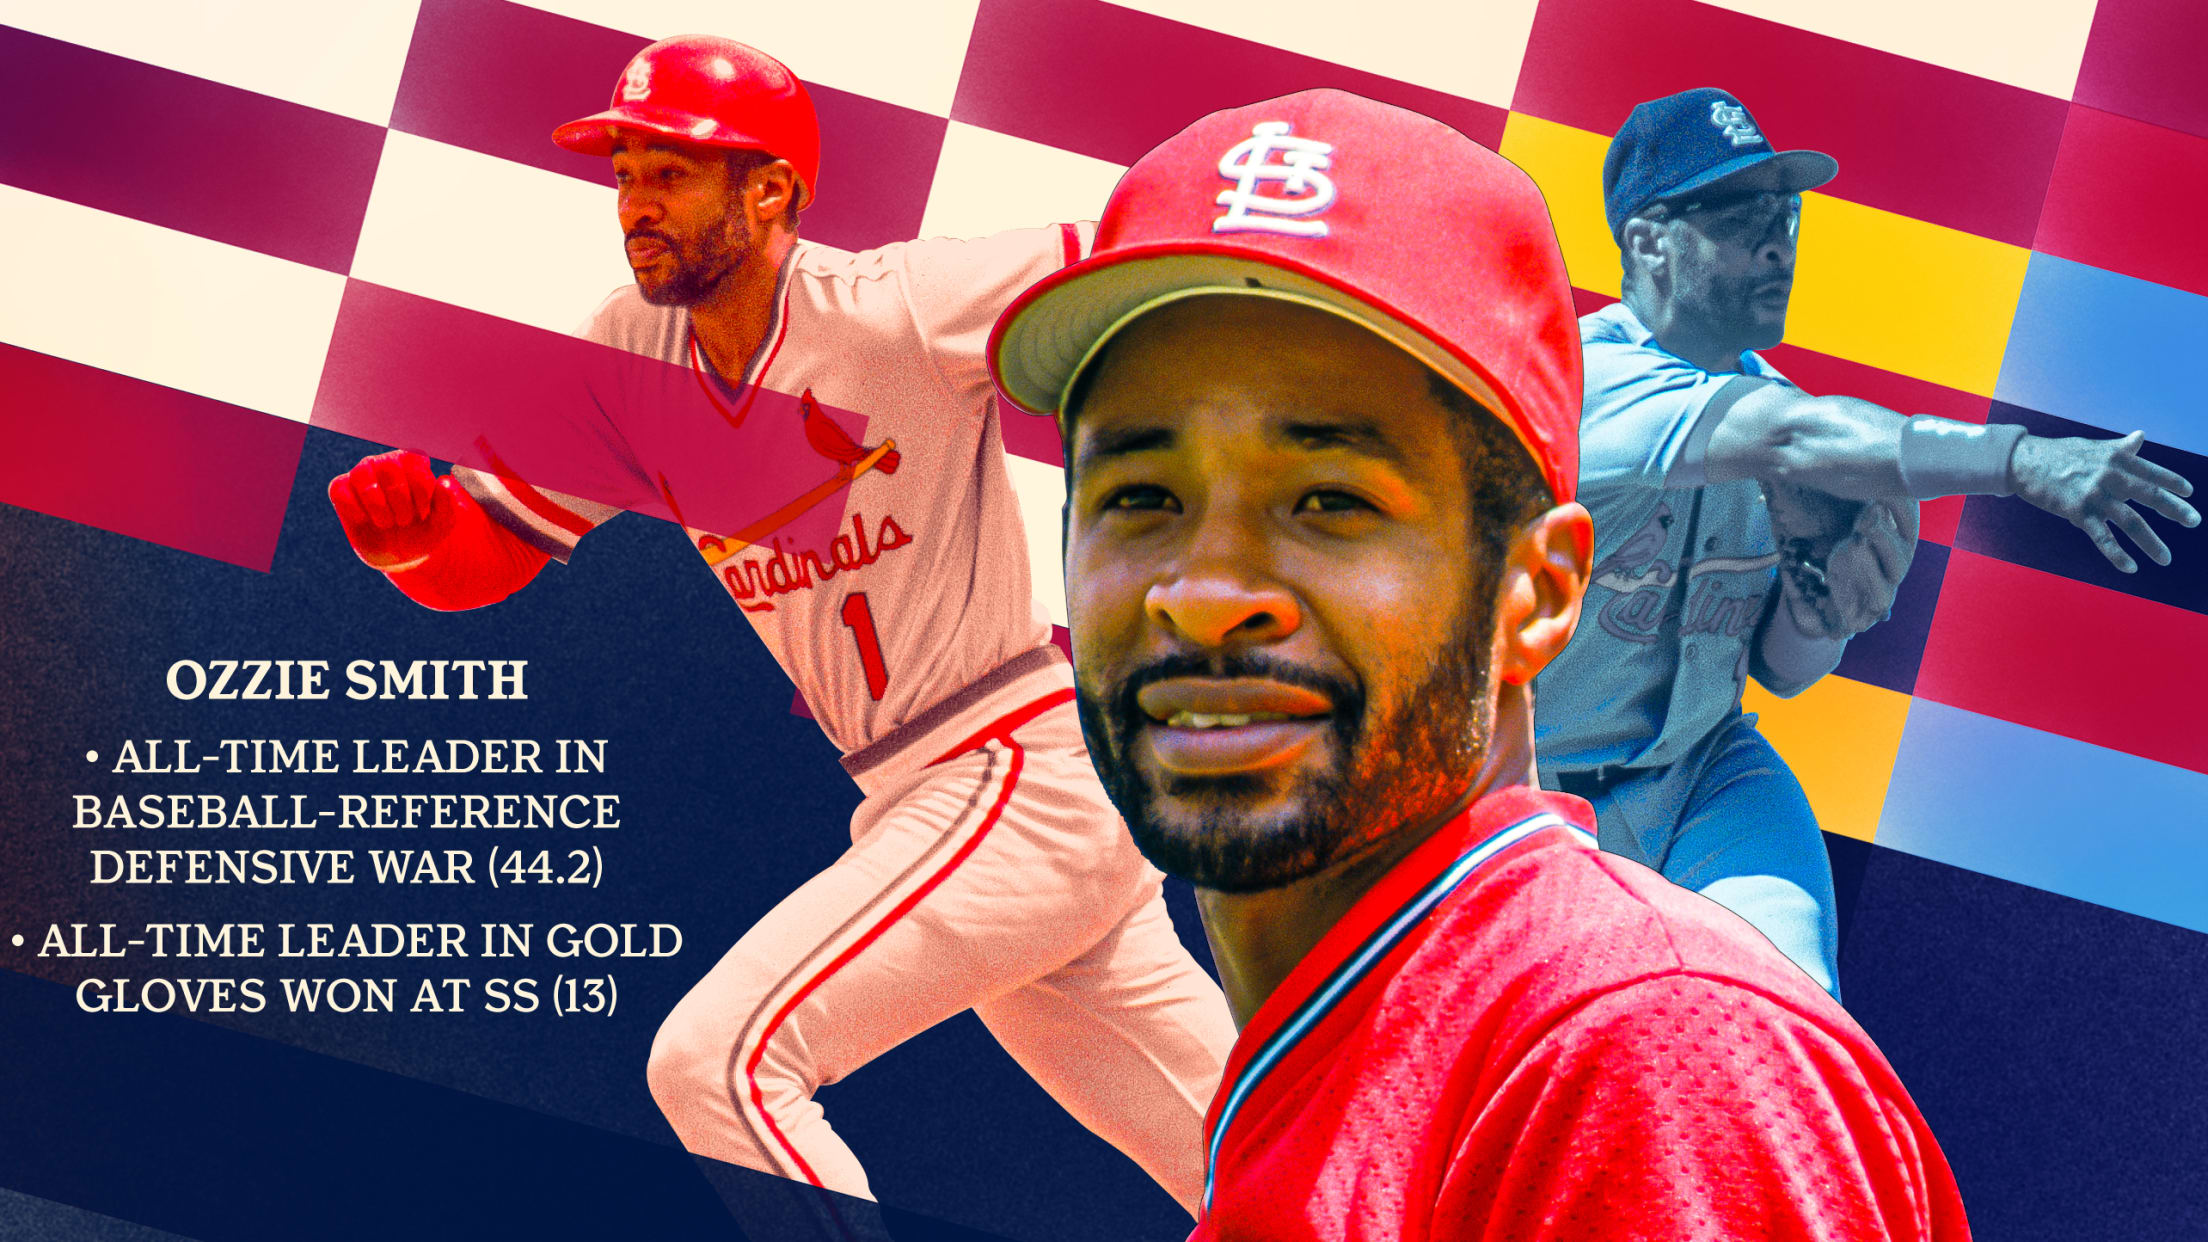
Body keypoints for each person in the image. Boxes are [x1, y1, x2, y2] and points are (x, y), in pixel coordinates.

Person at [991, 87, 1971, 1241]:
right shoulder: (1382, 1046)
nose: (1204, 591)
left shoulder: (1634, 1053)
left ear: (1539, 592)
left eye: (1330, 500)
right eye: (1141, 495)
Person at [325, 35, 1233, 1213]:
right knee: (1258, 1167)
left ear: (771, 192)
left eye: (672, 173)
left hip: (1014, 773)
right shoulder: (631, 358)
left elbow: (1134, 250)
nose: (636, 203)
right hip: (937, 799)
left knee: (721, 1062)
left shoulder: (897, 308)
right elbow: (489, 553)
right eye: (626, 176)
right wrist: (413, 548)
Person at [1532, 88, 2199, 998]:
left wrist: (1823, 614)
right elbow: (1787, 439)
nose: (1779, 244)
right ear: (1649, 241)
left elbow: (1785, 671)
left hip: (1703, 775)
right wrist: (2025, 459)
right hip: (1533, 788)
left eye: (1787, 215)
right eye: (1740, 218)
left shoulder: (1806, 426)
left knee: (1794, 1015)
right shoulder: (1591, 379)